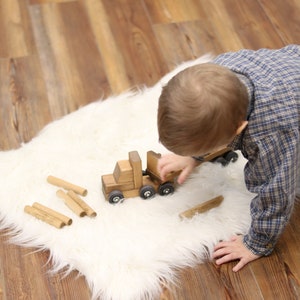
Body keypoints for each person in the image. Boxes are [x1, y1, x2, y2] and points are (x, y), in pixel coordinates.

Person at [157, 45, 300, 272]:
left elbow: (277, 192)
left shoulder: (269, 134)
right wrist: (193, 155)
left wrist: (256, 243)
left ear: (240, 129)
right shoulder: (220, 71)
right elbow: (209, 121)